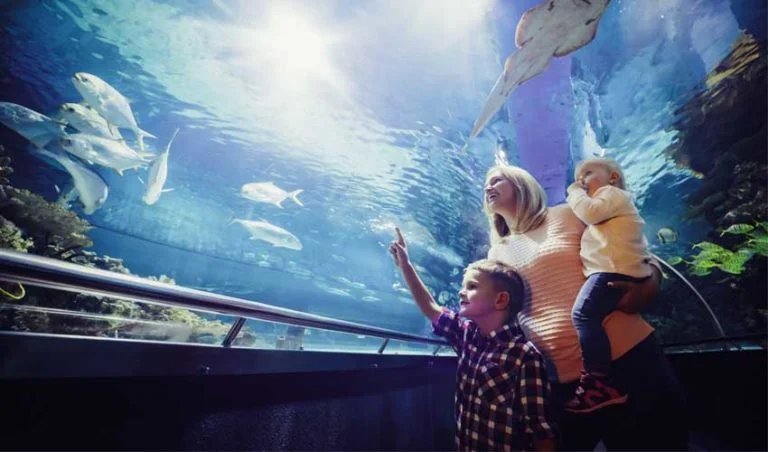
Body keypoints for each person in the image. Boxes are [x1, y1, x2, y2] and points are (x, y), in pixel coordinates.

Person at [483, 164, 688, 450]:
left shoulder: (568, 214)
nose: (488, 187)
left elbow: (632, 244)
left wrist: (651, 281)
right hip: (562, 381)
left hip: (626, 360)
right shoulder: (495, 253)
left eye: (496, 180)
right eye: (486, 183)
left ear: (521, 183)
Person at [389, 227, 556, 451]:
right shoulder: (466, 334)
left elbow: (540, 431)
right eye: (463, 286)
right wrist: (405, 265)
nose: (461, 292)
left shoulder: (524, 355)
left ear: (500, 300)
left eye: (472, 286)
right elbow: (430, 307)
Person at [563, 158, 654, 413]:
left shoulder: (612, 194)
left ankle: (598, 381)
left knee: (583, 315)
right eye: (578, 177)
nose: (581, 180)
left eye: (587, 173)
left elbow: (589, 212)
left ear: (612, 177)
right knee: (590, 315)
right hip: (614, 268)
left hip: (612, 268)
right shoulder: (611, 205)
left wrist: (573, 191)